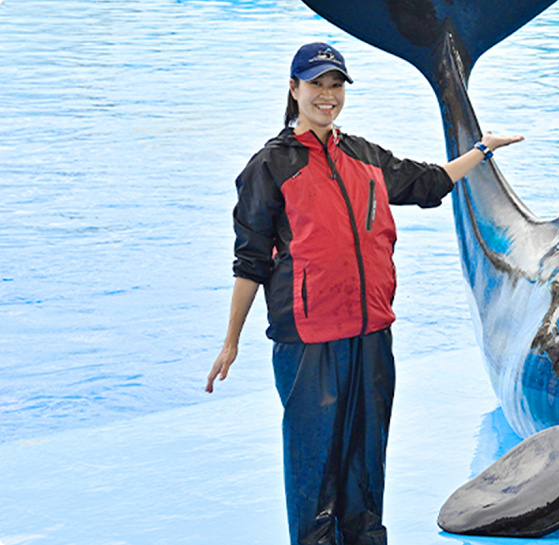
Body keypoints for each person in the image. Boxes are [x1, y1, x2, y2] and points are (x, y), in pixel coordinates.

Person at [204, 42, 522, 545]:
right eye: (316, 85)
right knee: (314, 459)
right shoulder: (270, 166)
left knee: (366, 458)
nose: (327, 96)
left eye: (335, 86)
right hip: (308, 337)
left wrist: (481, 151)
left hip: (372, 331)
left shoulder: (363, 155)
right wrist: (231, 341)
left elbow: (428, 183)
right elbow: (249, 261)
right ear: (294, 89)